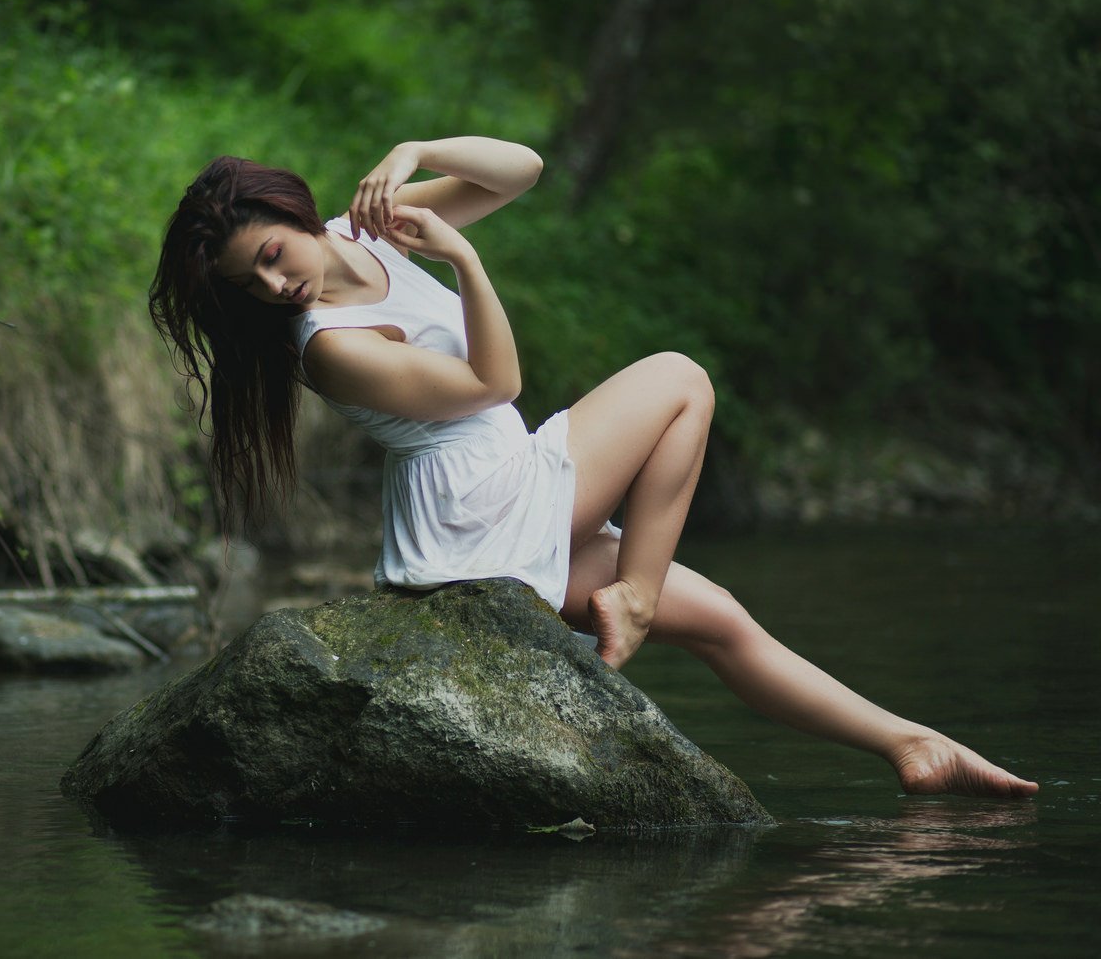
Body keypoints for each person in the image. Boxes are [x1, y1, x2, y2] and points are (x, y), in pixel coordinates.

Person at [149, 135, 1037, 799]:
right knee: (680, 379)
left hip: (506, 493)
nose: (274, 287)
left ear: (295, 216)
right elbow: (496, 380)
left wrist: (415, 149)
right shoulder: (327, 347)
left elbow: (521, 169)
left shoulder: (365, 231)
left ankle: (911, 745)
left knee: (723, 619)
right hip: (478, 510)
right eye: (247, 285)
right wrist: (462, 258)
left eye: (271, 256)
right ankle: (636, 596)